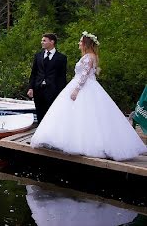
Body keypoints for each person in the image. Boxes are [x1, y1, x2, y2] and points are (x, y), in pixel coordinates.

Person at [30, 32, 147, 161]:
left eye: (80, 41)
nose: (79, 44)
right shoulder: (91, 56)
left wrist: (77, 89)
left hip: (83, 86)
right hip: (86, 84)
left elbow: (84, 75)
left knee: (83, 114)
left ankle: (81, 142)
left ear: (85, 43)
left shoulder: (88, 57)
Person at [27, 33, 68, 122]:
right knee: (39, 113)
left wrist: (61, 92)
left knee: (52, 114)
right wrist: (31, 88)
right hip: (38, 89)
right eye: (42, 40)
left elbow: (62, 77)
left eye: (44, 40)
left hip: (53, 90)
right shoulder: (38, 56)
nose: (42, 42)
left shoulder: (61, 58)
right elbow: (34, 73)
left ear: (52, 42)